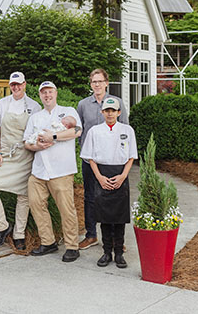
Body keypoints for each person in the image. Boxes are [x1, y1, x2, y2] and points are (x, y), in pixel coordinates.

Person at [24, 81, 82, 262]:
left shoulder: (69, 111)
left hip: (61, 170)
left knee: (66, 209)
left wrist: (53, 136)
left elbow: (77, 131)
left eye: (50, 92)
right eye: (43, 93)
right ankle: (48, 242)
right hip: (39, 170)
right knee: (35, 204)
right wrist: (37, 145)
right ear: (40, 96)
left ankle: (72, 246)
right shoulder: (35, 117)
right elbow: (26, 142)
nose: (47, 95)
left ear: (55, 93)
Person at [0, 72, 41, 250]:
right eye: (13, 85)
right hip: (6, 153)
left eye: (19, 84)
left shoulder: (34, 106)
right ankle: (2, 226)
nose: (16, 88)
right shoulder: (2, 103)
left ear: (25, 84)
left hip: (25, 155)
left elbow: (37, 133)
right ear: (10, 86)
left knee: (23, 196)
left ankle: (19, 234)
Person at [79, 97, 136, 268]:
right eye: (107, 111)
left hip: (120, 175)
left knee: (119, 217)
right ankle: (106, 252)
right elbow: (90, 157)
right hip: (102, 176)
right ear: (102, 112)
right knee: (104, 217)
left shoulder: (127, 130)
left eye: (113, 111)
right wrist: (100, 178)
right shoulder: (95, 131)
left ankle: (118, 253)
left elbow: (131, 156)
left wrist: (123, 176)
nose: (110, 114)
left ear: (119, 112)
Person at [77, 68, 128, 250]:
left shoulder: (117, 102)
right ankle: (91, 235)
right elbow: (79, 130)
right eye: (93, 82)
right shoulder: (83, 105)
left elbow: (125, 130)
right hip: (90, 161)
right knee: (90, 197)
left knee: (113, 198)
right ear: (90, 84)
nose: (97, 85)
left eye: (100, 81)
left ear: (106, 83)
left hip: (112, 162)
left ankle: (116, 239)